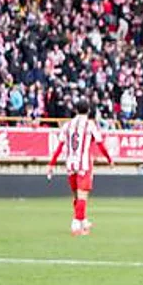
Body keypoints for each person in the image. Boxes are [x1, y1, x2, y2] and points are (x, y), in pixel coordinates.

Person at [47, 100, 114, 236]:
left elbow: (59, 147)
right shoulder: (90, 125)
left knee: (77, 195)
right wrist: (109, 159)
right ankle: (76, 224)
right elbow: (100, 143)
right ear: (88, 111)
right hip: (84, 164)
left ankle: (83, 220)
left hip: (70, 164)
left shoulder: (67, 125)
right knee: (83, 194)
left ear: (76, 110)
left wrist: (51, 164)